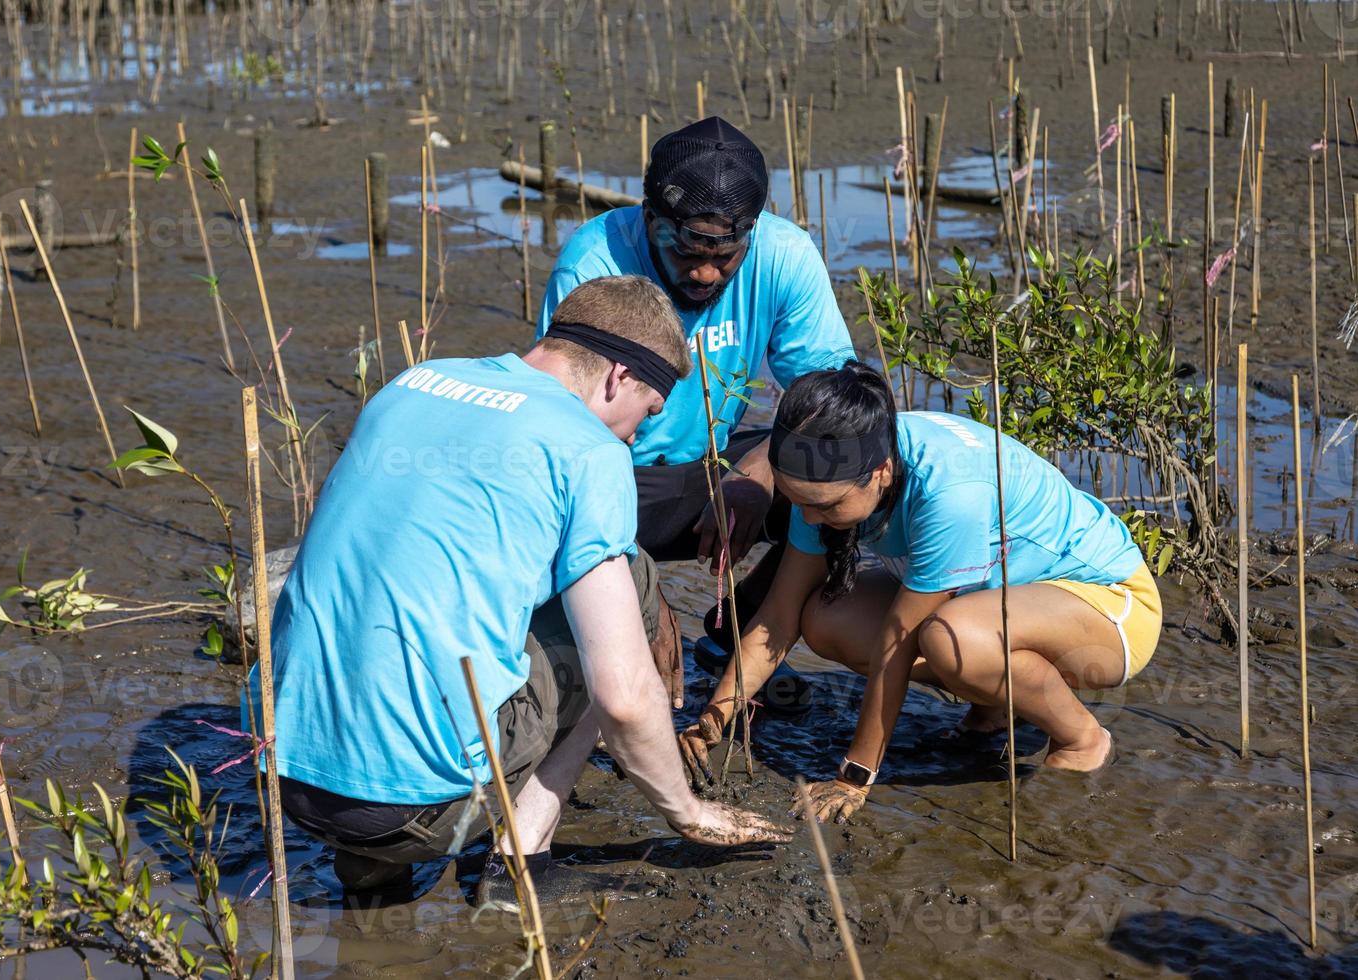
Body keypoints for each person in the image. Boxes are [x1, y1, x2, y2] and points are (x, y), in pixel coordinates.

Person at [248, 276, 788, 905]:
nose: (638, 436)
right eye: (649, 410)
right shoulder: (589, 450)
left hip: (287, 777)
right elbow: (623, 698)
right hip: (414, 809)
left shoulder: (413, 383)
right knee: (631, 579)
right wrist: (688, 813)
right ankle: (519, 866)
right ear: (618, 377)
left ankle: (369, 871)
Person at [679, 362, 1162, 823]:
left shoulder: (948, 491)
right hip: (1007, 604)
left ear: (882, 472)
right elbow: (777, 617)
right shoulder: (830, 476)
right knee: (826, 617)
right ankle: (994, 707)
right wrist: (716, 716)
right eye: (796, 499)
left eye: (825, 506)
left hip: (1109, 610)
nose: (806, 519)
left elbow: (899, 638)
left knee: (951, 638)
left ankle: (1081, 738)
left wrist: (856, 775)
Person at [536, 116, 855, 681]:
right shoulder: (594, 263)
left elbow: (832, 396)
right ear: (651, 217)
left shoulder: (785, 254)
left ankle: (742, 635)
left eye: (726, 255)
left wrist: (761, 469)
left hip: (717, 463)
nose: (706, 273)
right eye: (686, 251)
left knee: (844, 472)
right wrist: (642, 589)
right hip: (617, 477)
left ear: (751, 233)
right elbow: (568, 445)